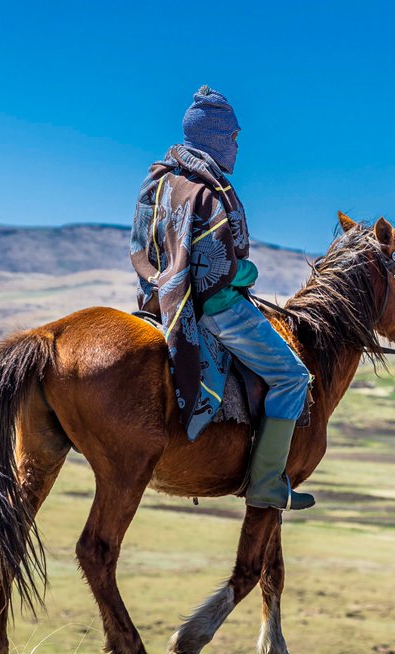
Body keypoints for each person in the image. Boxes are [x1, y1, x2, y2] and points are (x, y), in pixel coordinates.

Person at [130, 85, 314, 510]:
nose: (235, 146)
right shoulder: (207, 191)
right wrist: (250, 271)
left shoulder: (158, 183)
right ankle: (267, 483)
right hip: (215, 308)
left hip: (161, 301)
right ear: (213, 136)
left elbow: (145, 246)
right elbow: (218, 270)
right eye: (231, 137)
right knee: (293, 378)